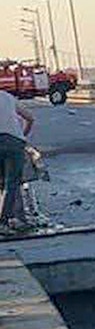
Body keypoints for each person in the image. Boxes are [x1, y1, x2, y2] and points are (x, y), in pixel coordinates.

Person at [0, 89, 34, 232]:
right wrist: (22, 136)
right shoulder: (7, 96)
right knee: (12, 183)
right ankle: (12, 220)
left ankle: (7, 220)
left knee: (3, 183)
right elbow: (30, 118)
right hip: (14, 142)